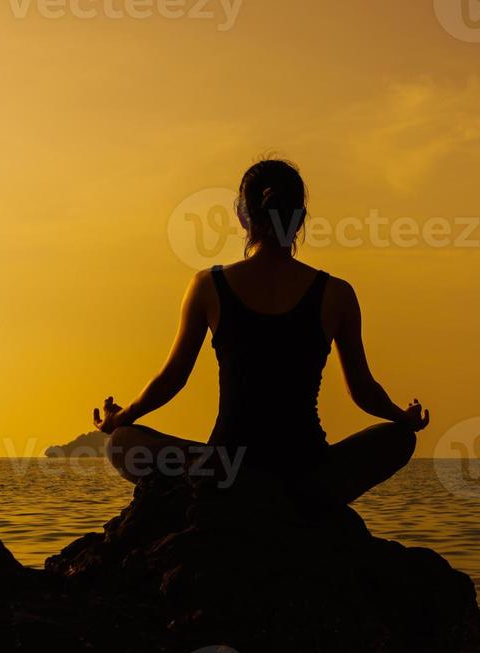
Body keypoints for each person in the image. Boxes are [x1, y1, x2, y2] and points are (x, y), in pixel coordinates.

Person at [93, 158, 429, 506]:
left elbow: (172, 378)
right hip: (306, 470)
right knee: (400, 439)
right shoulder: (337, 293)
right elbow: (363, 390)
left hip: (227, 468)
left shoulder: (208, 285)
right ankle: (298, 498)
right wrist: (402, 418)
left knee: (121, 442)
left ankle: (222, 487)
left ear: (242, 216)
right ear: (299, 220)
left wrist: (122, 417)